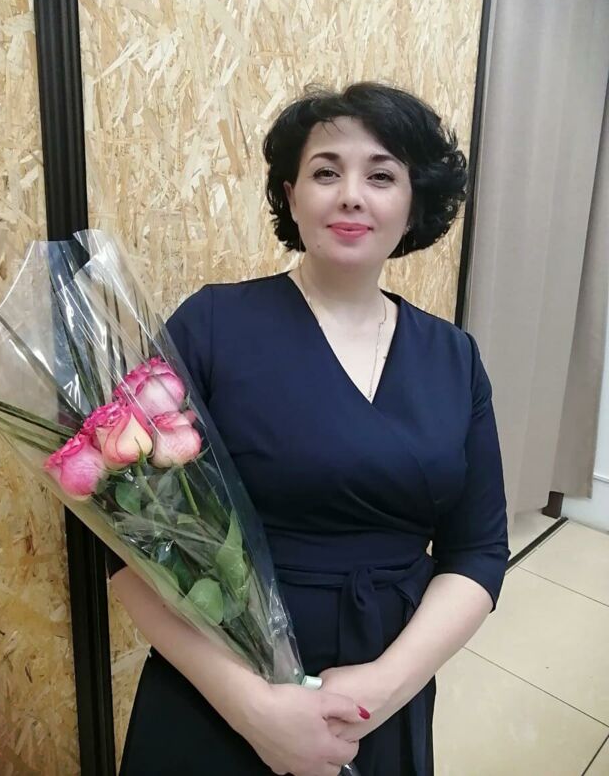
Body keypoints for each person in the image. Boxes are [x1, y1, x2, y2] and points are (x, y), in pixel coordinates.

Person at [105, 80, 511, 776]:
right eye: (326, 172)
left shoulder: (454, 357)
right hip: (222, 680)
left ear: (414, 204)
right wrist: (253, 708)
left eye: (381, 175)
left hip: (383, 688)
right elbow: (122, 533)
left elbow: (477, 551)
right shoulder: (213, 325)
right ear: (292, 197)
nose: (351, 195)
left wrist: (379, 690)